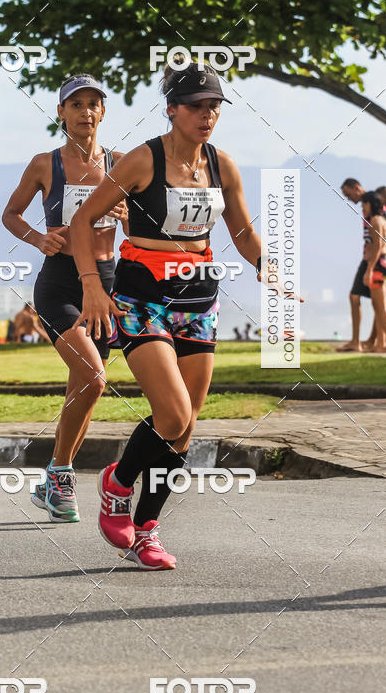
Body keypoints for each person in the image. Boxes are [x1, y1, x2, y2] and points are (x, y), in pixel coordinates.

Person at [70, 62, 273, 570]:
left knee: (185, 428)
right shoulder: (142, 161)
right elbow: (82, 219)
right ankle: (117, 483)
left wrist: (269, 263)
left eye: (214, 107)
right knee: (173, 413)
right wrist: (93, 286)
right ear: (173, 110)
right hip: (143, 294)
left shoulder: (223, 166)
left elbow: (243, 233)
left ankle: (147, 529)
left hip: (198, 295)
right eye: (197, 107)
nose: (207, 116)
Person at [2, 73, 127, 522]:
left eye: (94, 103)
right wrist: (38, 239)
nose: (86, 112)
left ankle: (57, 478)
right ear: (61, 113)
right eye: (76, 104)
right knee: (94, 378)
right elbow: (10, 214)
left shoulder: (123, 164)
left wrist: (127, 214)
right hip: (59, 284)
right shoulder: (44, 164)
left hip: (106, 284)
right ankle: (60, 475)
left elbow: (144, 230)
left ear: (103, 111)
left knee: (83, 387)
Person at [361, 191, 386, 353]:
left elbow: (376, 247)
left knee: (381, 307)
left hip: (378, 265)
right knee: (379, 306)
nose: (363, 208)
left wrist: (369, 270)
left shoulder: (375, 221)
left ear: (370, 204)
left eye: (364, 205)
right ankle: (381, 344)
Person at [337, 178, 369, 352]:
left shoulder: (371, 200)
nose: (348, 198)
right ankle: (367, 341)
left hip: (373, 258)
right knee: (382, 301)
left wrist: (372, 261)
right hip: (373, 257)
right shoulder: (369, 202)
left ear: (356, 187)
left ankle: (357, 342)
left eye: (348, 194)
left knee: (355, 296)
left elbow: (380, 230)